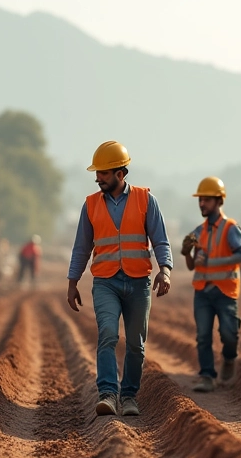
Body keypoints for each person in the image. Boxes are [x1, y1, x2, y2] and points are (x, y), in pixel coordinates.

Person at [67, 141, 172, 417]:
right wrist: (72, 281)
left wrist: (166, 269)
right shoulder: (90, 205)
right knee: (108, 335)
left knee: (136, 344)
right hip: (105, 282)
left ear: (120, 174)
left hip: (138, 283)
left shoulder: (146, 200)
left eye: (103, 173)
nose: (98, 177)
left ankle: (128, 396)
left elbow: (160, 240)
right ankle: (108, 394)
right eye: (97, 173)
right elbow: (81, 247)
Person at [181, 176, 241, 392]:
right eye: (200, 200)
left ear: (219, 201)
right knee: (203, 336)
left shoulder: (231, 228)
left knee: (229, 334)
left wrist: (214, 262)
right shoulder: (198, 232)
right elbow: (193, 265)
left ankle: (229, 358)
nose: (202, 204)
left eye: (207, 200)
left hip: (225, 291)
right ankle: (207, 376)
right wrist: (186, 253)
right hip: (202, 292)